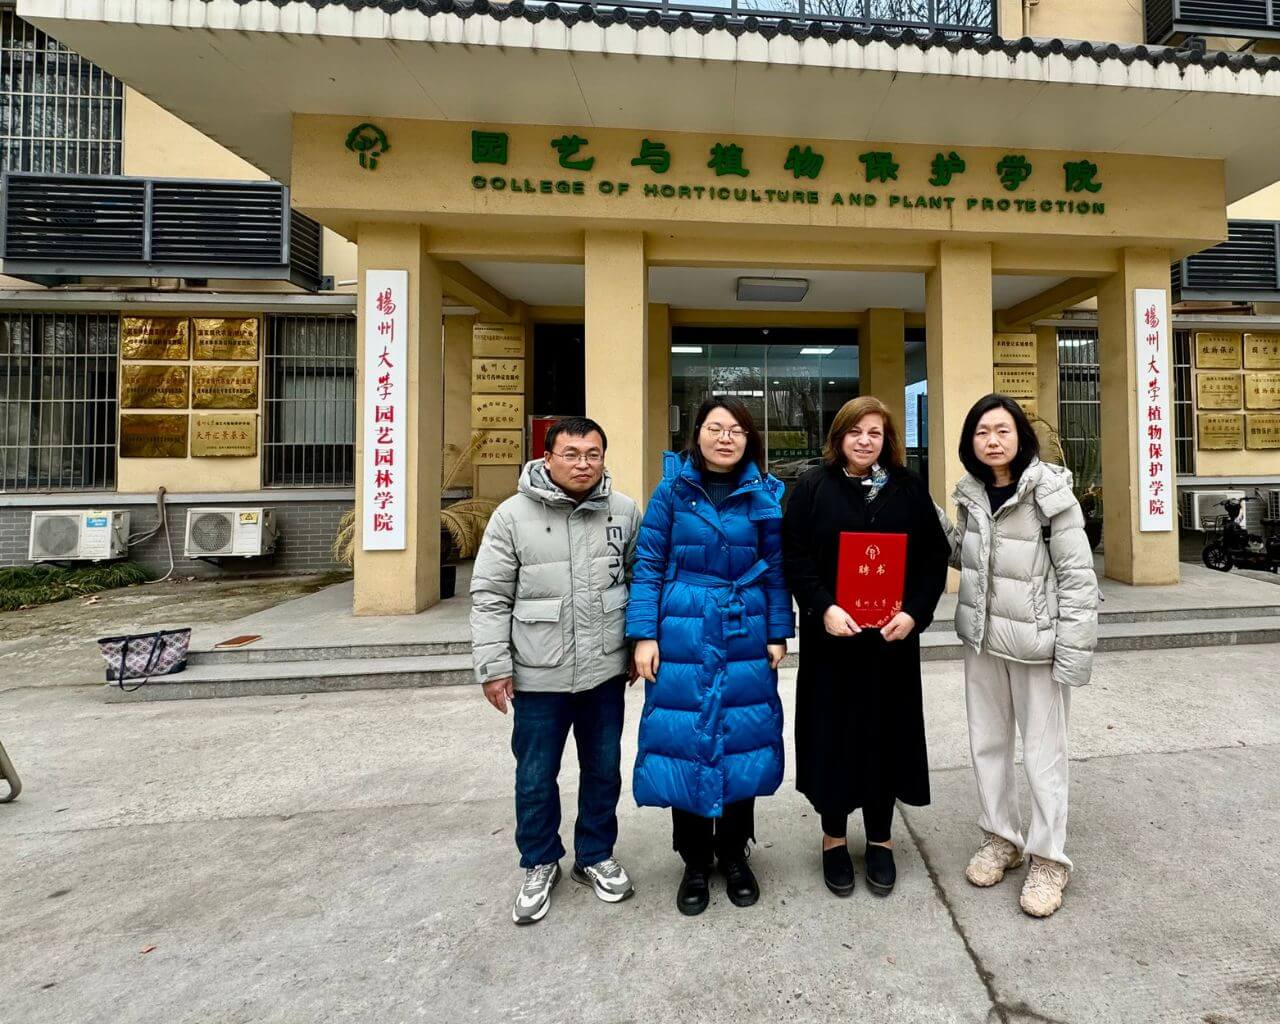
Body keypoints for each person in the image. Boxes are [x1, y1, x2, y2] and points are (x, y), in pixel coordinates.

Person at [470, 416, 641, 925]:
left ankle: (594, 855)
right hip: (538, 673)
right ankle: (540, 861)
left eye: (592, 453)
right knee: (536, 775)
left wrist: (635, 645)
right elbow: (489, 596)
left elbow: (638, 580)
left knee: (604, 770)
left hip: (605, 670)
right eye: (571, 453)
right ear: (547, 458)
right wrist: (493, 666)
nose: (582, 463)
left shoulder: (625, 511)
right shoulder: (511, 516)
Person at [627, 397, 793, 917]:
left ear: (749, 439)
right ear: (696, 434)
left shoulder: (764, 494)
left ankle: (735, 853)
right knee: (686, 737)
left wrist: (777, 630)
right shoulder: (671, 492)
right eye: (715, 428)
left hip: (744, 627)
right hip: (683, 628)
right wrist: (643, 635)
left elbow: (776, 567)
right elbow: (648, 565)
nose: (725, 438)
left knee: (741, 737)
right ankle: (695, 859)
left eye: (736, 430)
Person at [782, 396, 949, 898]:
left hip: (889, 644)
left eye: (875, 433)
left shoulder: (906, 489)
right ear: (839, 437)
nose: (864, 441)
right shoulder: (813, 487)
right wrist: (822, 607)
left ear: (887, 440)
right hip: (832, 641)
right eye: (855, 432)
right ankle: (834, 839)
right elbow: (794, 556)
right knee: (834, 735)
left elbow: (932, 559)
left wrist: (914, 613)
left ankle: (880, 837)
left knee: (884, 734)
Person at [948, 393, 1098, 919]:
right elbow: (963, 555)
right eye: (982, 431)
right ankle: (999, 837)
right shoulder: (969, 494)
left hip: (1037, 645)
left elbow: (1079, 577)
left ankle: (1048, 858)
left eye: (1002, 430)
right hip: (983, 641)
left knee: (1043, 755)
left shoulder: (1050, 494)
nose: (992, 440)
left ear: (1021, 437)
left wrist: (1074, 652)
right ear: (971, 441)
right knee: (987, 744)